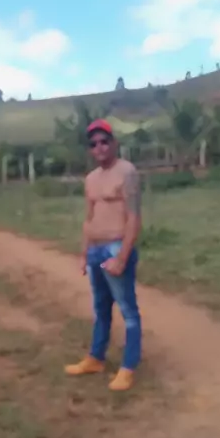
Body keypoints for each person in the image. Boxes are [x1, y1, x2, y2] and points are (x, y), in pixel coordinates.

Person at [65, 119, 142, 391]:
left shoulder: (127, 172)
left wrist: (122, 257)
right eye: (94, 143)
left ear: (113, 143)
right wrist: (84, 253)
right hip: (96, 249)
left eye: (104, 141)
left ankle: (128, 368)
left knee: (128, 310)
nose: (99, 147)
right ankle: (95, 358)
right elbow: (89, 218)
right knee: (100, 308)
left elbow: (134, 218)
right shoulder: (91, 179)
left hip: (116, 247)